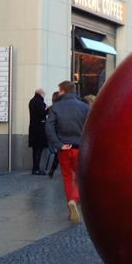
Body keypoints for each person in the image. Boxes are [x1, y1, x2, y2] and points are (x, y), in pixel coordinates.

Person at [45, 81, 89, 224]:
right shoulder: (84, 107)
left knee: (67, 177)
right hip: (79, 148)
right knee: (81, 178)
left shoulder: (55, 107)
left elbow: (49, 128)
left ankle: (71, 204)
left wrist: (58, 144)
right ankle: (74, 200)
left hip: (64, 148)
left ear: (62, 91)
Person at [28, 88, 47, 175]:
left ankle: (36, 168)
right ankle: (36, 169)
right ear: (41, 94)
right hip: (39, 130)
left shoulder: (33, 101)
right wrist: (49, 109)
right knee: (38, 149)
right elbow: (42, 114)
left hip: (34, 129)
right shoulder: (38, 102)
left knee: (36, 150)